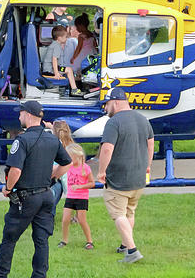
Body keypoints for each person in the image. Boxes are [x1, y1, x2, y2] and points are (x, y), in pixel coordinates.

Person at [0, 101, 72, 278]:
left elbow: (15, 170)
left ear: (29, 115)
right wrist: (52, 176)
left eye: (21, 113)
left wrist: (7, 188)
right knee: (41, 241)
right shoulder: (52, 139)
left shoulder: (22, 140)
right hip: (46, 196)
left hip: (25, 198)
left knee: (9, 239)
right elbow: (67, 163)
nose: (19, 117)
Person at [96, 87, 154, 264]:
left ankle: (132, 251)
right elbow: (150, 143)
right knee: (130, 211)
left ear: (115, 102)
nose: (105, 108)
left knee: (118, 214)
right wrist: (147, 166)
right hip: (138, 178)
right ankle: (124, 244)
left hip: (119, 179)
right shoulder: (143, 119)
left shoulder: (114, 123)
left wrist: (101, 171)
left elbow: (107, 148)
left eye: (106, 104)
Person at [55, 122, 94, 250]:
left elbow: (92, 183)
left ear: (78, 157)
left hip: (82, 197)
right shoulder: (68, 167)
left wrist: (80, 187)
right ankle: (64, 240)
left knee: (82, 220)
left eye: (71, 158)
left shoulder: (85, 168)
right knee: (65, 219)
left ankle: (89, 241)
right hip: (70, 197)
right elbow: (57, 171)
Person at [42, 25, 83, 97]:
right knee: (69, 70)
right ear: (59, 38)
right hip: (49, 70)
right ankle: (74, 89)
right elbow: (54, 60)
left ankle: (74, 89)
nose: (67, 39)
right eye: (65, 37)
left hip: (50, 68)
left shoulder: (54, 44)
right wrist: (56, 73)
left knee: (68, 69)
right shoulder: (57, 46)